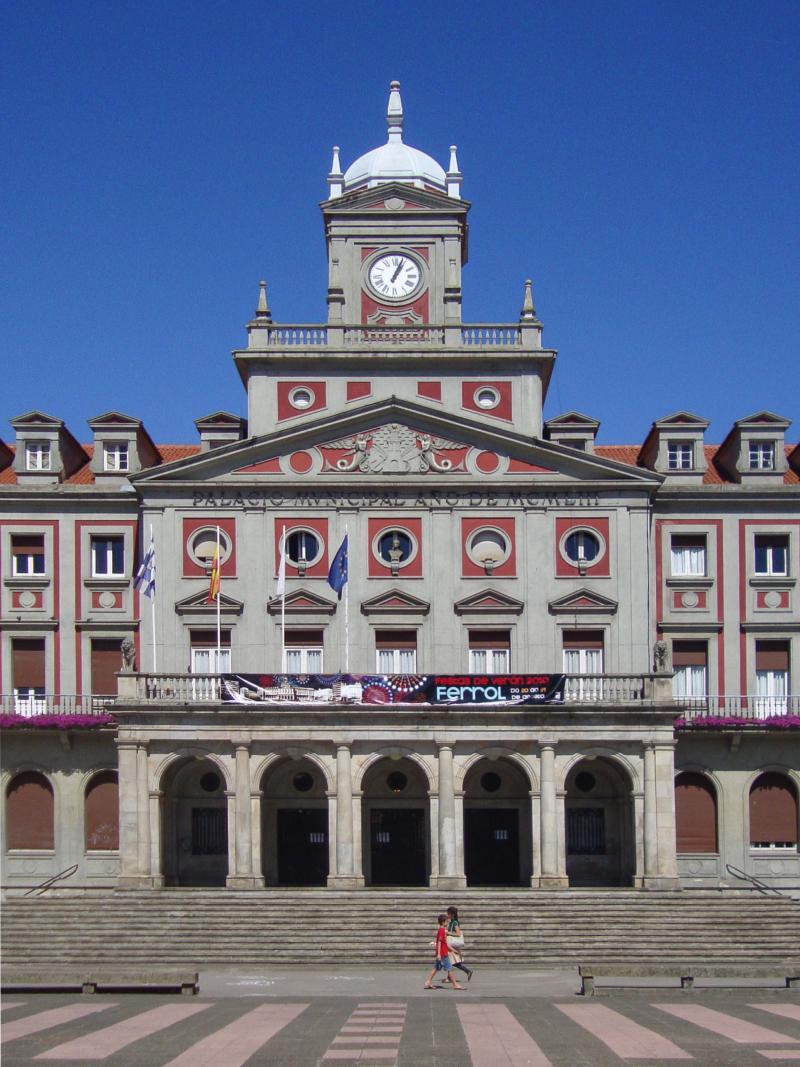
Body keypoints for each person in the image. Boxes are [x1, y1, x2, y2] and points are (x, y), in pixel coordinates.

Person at [424, 913, 463, 989]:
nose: (448, 923)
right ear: (443, 922)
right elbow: (439, 942)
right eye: (447, 922)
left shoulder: (442, 931)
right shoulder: (442, 931)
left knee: (436, 968)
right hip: (443, 954)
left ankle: (428, 982)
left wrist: (453, 950)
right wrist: (439, 954)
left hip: (442, 953)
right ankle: (455, 984)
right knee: (449, 969)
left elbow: (445, 943)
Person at [446, 904, 474, 982]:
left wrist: (448, 933)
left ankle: (467, 971)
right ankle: (450, 977)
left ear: (452, 914)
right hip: (451, 944)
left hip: (453, 944)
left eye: (448, 913)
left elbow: (458, 934)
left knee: (452, 962)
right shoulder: (451, 922)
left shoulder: (455, 923)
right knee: (451, 961)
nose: (447, 915)